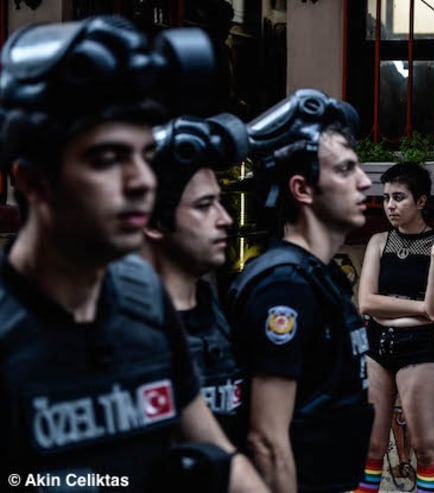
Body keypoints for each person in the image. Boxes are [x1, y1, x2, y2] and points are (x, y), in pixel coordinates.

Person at [0, 16, 266, 492]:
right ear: (34, 181)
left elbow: (225, 460)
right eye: (107, 159)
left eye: (144, 155)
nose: (142, 181)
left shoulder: (143, 298)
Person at [226, 89, 375, 493]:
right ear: (302, 189)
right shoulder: (283, 287)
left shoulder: (320, 276)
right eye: (345, 170)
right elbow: (268, 442)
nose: (364, 182)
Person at [142, 113, 249, 443]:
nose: (225, 219)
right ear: (156, 223)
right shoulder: (129, 328)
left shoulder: (210, 307)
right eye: (205, 206)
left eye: (221, 202)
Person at [355, 162, 434, 493]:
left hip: (421, 347)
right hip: (376, 345)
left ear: (421, 201)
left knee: (426, 448)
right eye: (385, 198)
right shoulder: (378, 242)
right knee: (370, 447)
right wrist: (420, 308)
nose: (390, 206)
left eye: (399, 198)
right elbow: (367, 303)